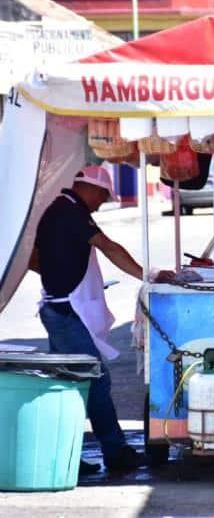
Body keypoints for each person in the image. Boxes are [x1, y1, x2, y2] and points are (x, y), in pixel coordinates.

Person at [28, 166, 174, 473]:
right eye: (103, 197)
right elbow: (108, 247)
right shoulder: (71, 213)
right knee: (94, 380)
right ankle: (114, 452)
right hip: (66, 313)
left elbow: (33, 257)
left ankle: (64, 456)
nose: (102, 203)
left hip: (58, 308)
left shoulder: (59, 209)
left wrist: (57, 274)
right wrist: (147, 275)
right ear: (91, 189)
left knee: (68, 386)